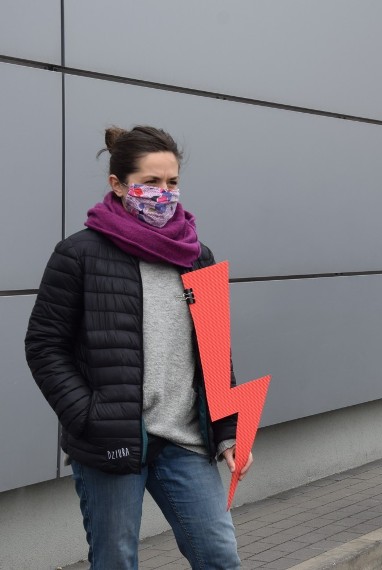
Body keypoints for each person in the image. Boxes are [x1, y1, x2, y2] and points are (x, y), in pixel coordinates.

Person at [25, 126, 250, 569]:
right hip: (112, 440)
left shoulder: (197, 254)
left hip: (184, 438)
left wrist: (226, 430)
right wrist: (88, 416)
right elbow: (44, 346)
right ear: (118, 184)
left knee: (219, 555)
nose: (163, 193)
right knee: (115, 561)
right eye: (151, 183)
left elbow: (215, 348)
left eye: (171, 182)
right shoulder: (79, 255)